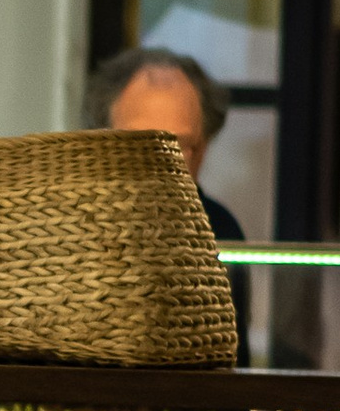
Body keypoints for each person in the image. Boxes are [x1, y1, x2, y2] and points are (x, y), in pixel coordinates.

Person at [82, 42, 251, 356]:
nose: (157, 159)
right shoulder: (70, 220)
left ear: (202, 150)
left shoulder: (221, 229)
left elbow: (231, 372)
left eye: (177, 144)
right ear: (101, 140)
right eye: (137, 142)